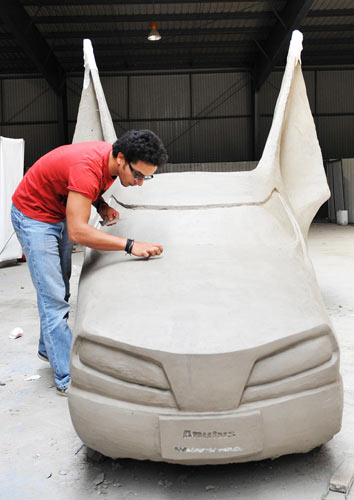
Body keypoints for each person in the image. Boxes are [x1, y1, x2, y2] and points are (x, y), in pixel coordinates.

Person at [11, 129, 167, 396]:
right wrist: (131, 245)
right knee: (53, 299)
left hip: (56, 210)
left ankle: (47, 349)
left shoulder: (109, 162)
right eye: (138, 175)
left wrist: (101, 206)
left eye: (146, 178)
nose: (140, 183)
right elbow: (79, 233)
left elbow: (84, 188)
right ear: (120, 158)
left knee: (61, 289)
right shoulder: (87, 168)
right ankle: (68, 380)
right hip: (34, 217)